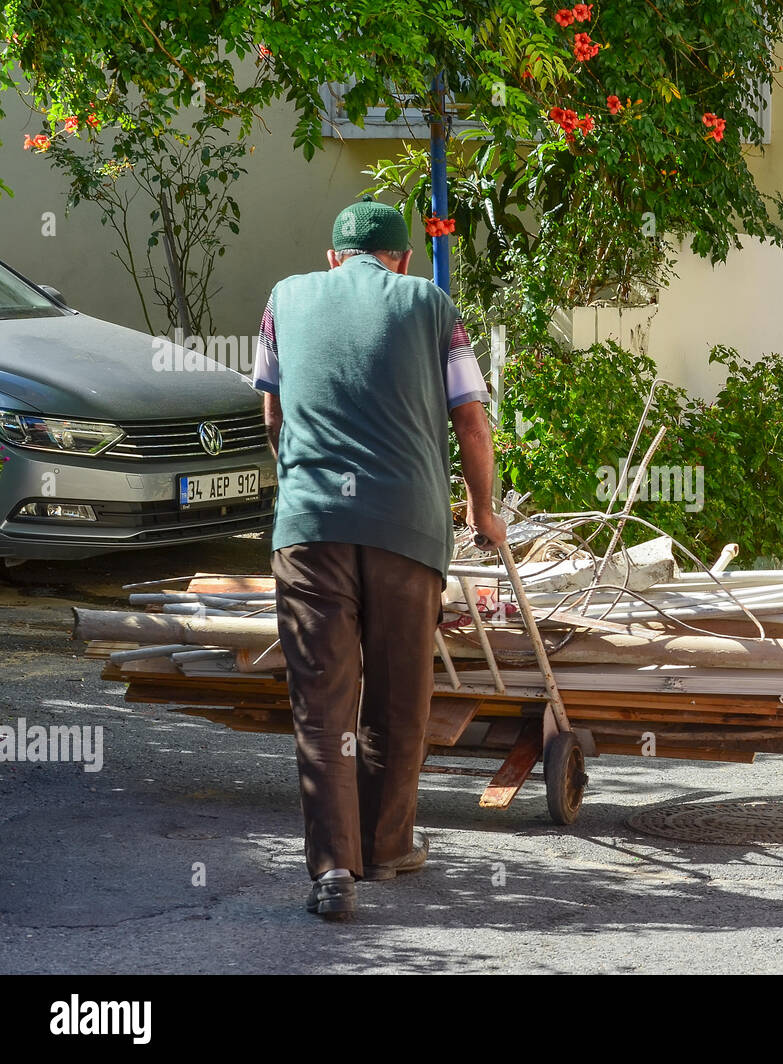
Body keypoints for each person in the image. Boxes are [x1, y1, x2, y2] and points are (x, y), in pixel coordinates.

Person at [252, 196, 507, 921]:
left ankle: (333, 869)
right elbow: (470, 420)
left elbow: (271, 412)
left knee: (323, 702)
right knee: (399, 696)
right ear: (401, 259)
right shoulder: (431, 305)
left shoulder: (285, 297)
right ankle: (387, 845)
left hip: (311, 529)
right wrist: (483, 513)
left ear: (332, 257)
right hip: (407, 526)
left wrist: (303, 480)